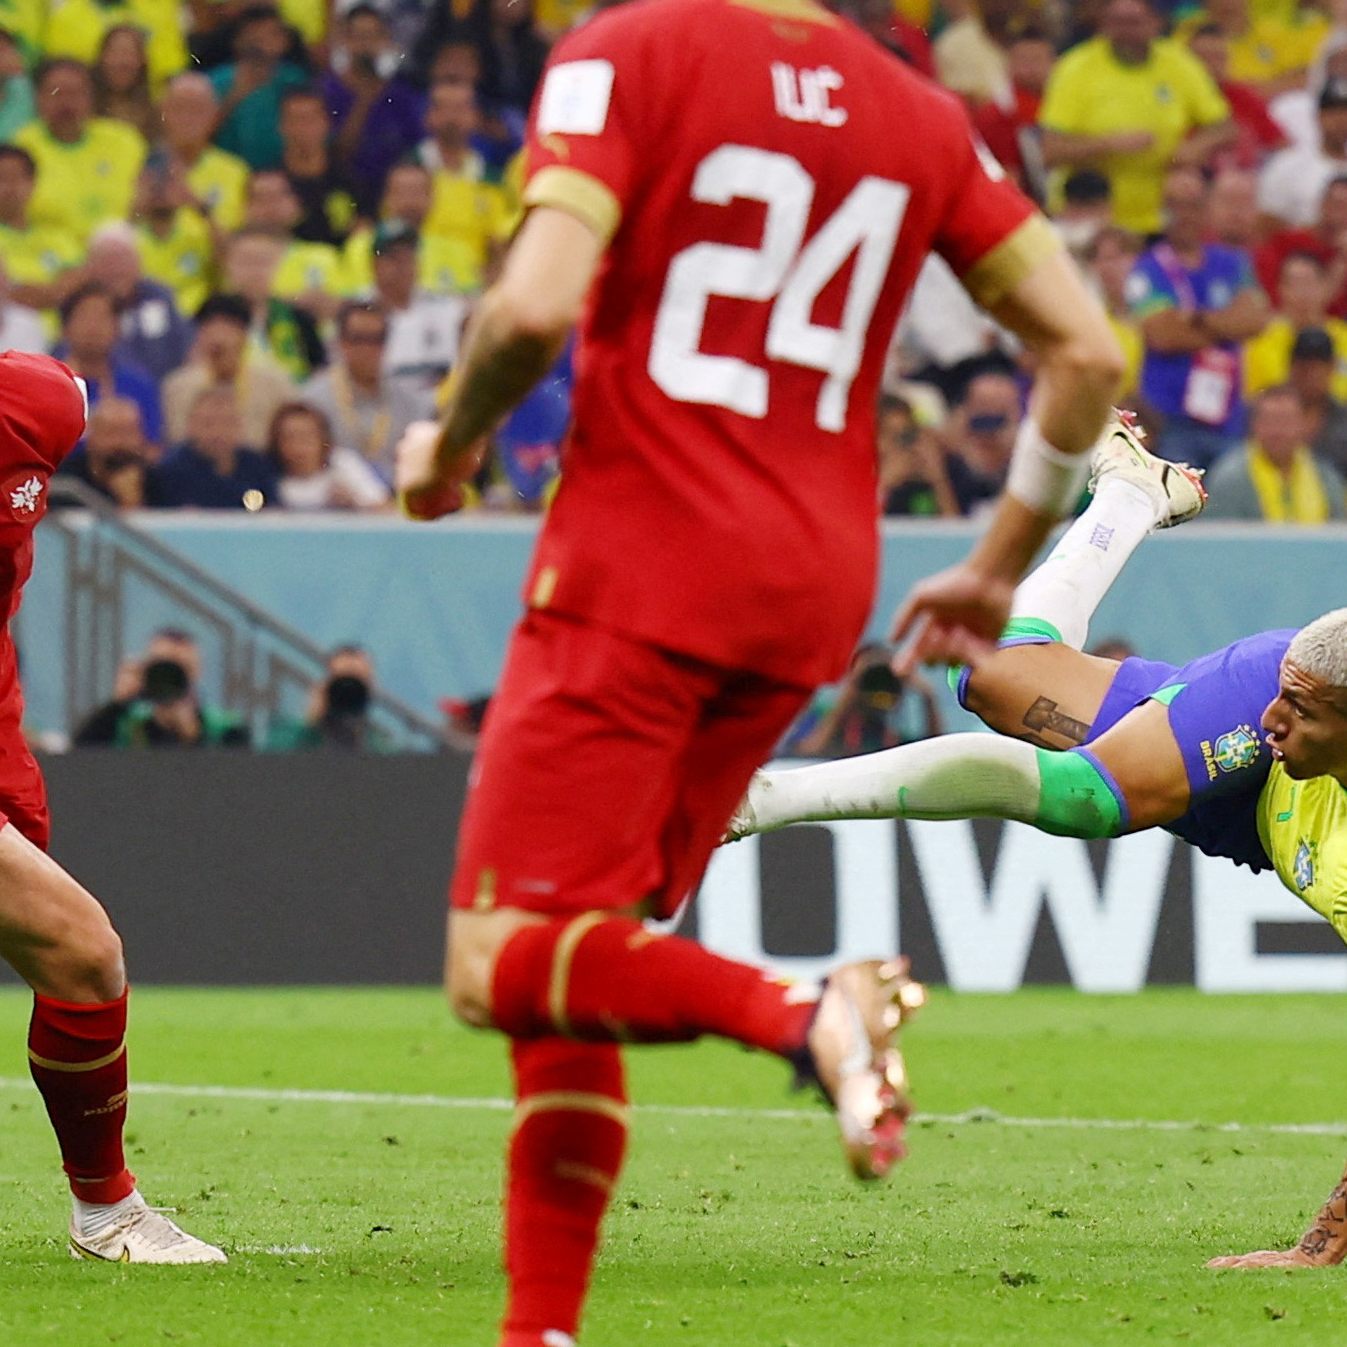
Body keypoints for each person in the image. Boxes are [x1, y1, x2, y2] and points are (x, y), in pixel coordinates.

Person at [392, 1, 1125, 1343]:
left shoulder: (629, 53)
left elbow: (532, 306)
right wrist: (994, 556)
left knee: (493, 956)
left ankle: (803, 1010)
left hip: (638, 562)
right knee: (587, 942)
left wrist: (445, 443)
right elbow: (1086, 351)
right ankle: (538, 1326)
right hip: (808, 585)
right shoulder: (915, 113)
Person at [725, 416, 1347, 1274]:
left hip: (1264, 811)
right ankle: (760, 797)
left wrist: (1318, 1245)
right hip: (1246, 743)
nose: (1282, 716)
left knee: (988, 671)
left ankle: (1130, 491)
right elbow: (1287, 704)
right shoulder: (1274, 702)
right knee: (1085, 794)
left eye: (1303, 709)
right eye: (1291, 699)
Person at [0, 353, 224, 1261]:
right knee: (84, 952)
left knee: (75, 963)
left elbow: (74, 393)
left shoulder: (32, 398)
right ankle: (108, 1208)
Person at [1038, 0, 1234, 236]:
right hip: (1091, 221)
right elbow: (1049, 150)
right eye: (1117, 22)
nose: (1125, 32)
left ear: (1156, 23)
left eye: (1134, 22)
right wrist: (1109, 144)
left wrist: (1191, 150)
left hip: (1162, 215)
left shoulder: (1178, 62)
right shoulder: (1075, 67)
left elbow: (1224, 127)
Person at [1129, 165, 1268, 468]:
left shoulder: (1232, 262)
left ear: (1206, 209)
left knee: (1228, 510)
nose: (1184, 214)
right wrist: (1227, 323)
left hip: (1228, 418)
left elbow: (1255, 320)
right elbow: (1163, 336)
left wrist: (1195, 319)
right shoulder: (1148, 268)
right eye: (1175, 205)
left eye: (1193, 204)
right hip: (1171, 420)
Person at [11, 58, 147, 246]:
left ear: (92, 97)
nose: (66, 103)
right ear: (38, 98)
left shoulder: (125, 141)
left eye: (75, 93)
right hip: (49, 259)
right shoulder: (22, 146)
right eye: (56, 93)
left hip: (119, 255)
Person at [302, 301, 433, 482]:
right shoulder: (313, 401)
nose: (368, 349)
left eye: (377, 339)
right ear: (341, 342)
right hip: (333, 501)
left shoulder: (412, 402)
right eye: (358, 339)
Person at [73, 628, 250, 746]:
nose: (169, 678)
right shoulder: (127, 726)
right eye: (162, 667)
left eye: (182, 668)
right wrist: (118, 703)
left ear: (197, 671)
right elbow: (80, 756)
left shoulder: (226, 729)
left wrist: (192, 735)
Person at [162, 293, 294, 450]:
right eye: (209, 328)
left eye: (227, 328)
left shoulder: (275, 383)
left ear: (244, 335)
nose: (218, 337)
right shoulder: (178, 387)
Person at [1201, 383, 1347, 520]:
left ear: (1303, 425)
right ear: (1254, 425)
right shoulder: (1229, 480)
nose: (1278, 431)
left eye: (1286, 421)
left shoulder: (1325, 477)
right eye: (1270, 420)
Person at [86, 224, 194, 384]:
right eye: (109, 261)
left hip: (161, 389)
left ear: (138, 263)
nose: (117, 269)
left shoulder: (160, 298)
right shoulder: (84, 306)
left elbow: (184, 345)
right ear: (92, 267)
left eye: (123, 260)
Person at [149, 384, 280, 508]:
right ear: (191, 426)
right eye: (208, 423)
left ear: (240, 426)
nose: (218, 432)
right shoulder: (170, 472)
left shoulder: (257, 466)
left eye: (227, 423)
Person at [266, 401, 390, 511]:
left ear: (323, 438)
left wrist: (354, 503)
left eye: (306, 437)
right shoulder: (269, 477)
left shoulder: (343, 463)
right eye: (289, 438)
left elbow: (386, 508)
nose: (298, 446)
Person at [264, 644, 393, 749]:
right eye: (341, 682)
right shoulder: (288, 736)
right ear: (324, 686)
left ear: (371, 688)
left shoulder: (380, 748)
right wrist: (311, 722)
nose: (348, 692)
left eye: (356, 684)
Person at [58, 395, 151, 508]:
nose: (120, 442)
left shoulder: (157, 478)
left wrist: (134, 501)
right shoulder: (65, 481)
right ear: (91, 437)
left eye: (129, 433)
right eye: (111, 433)